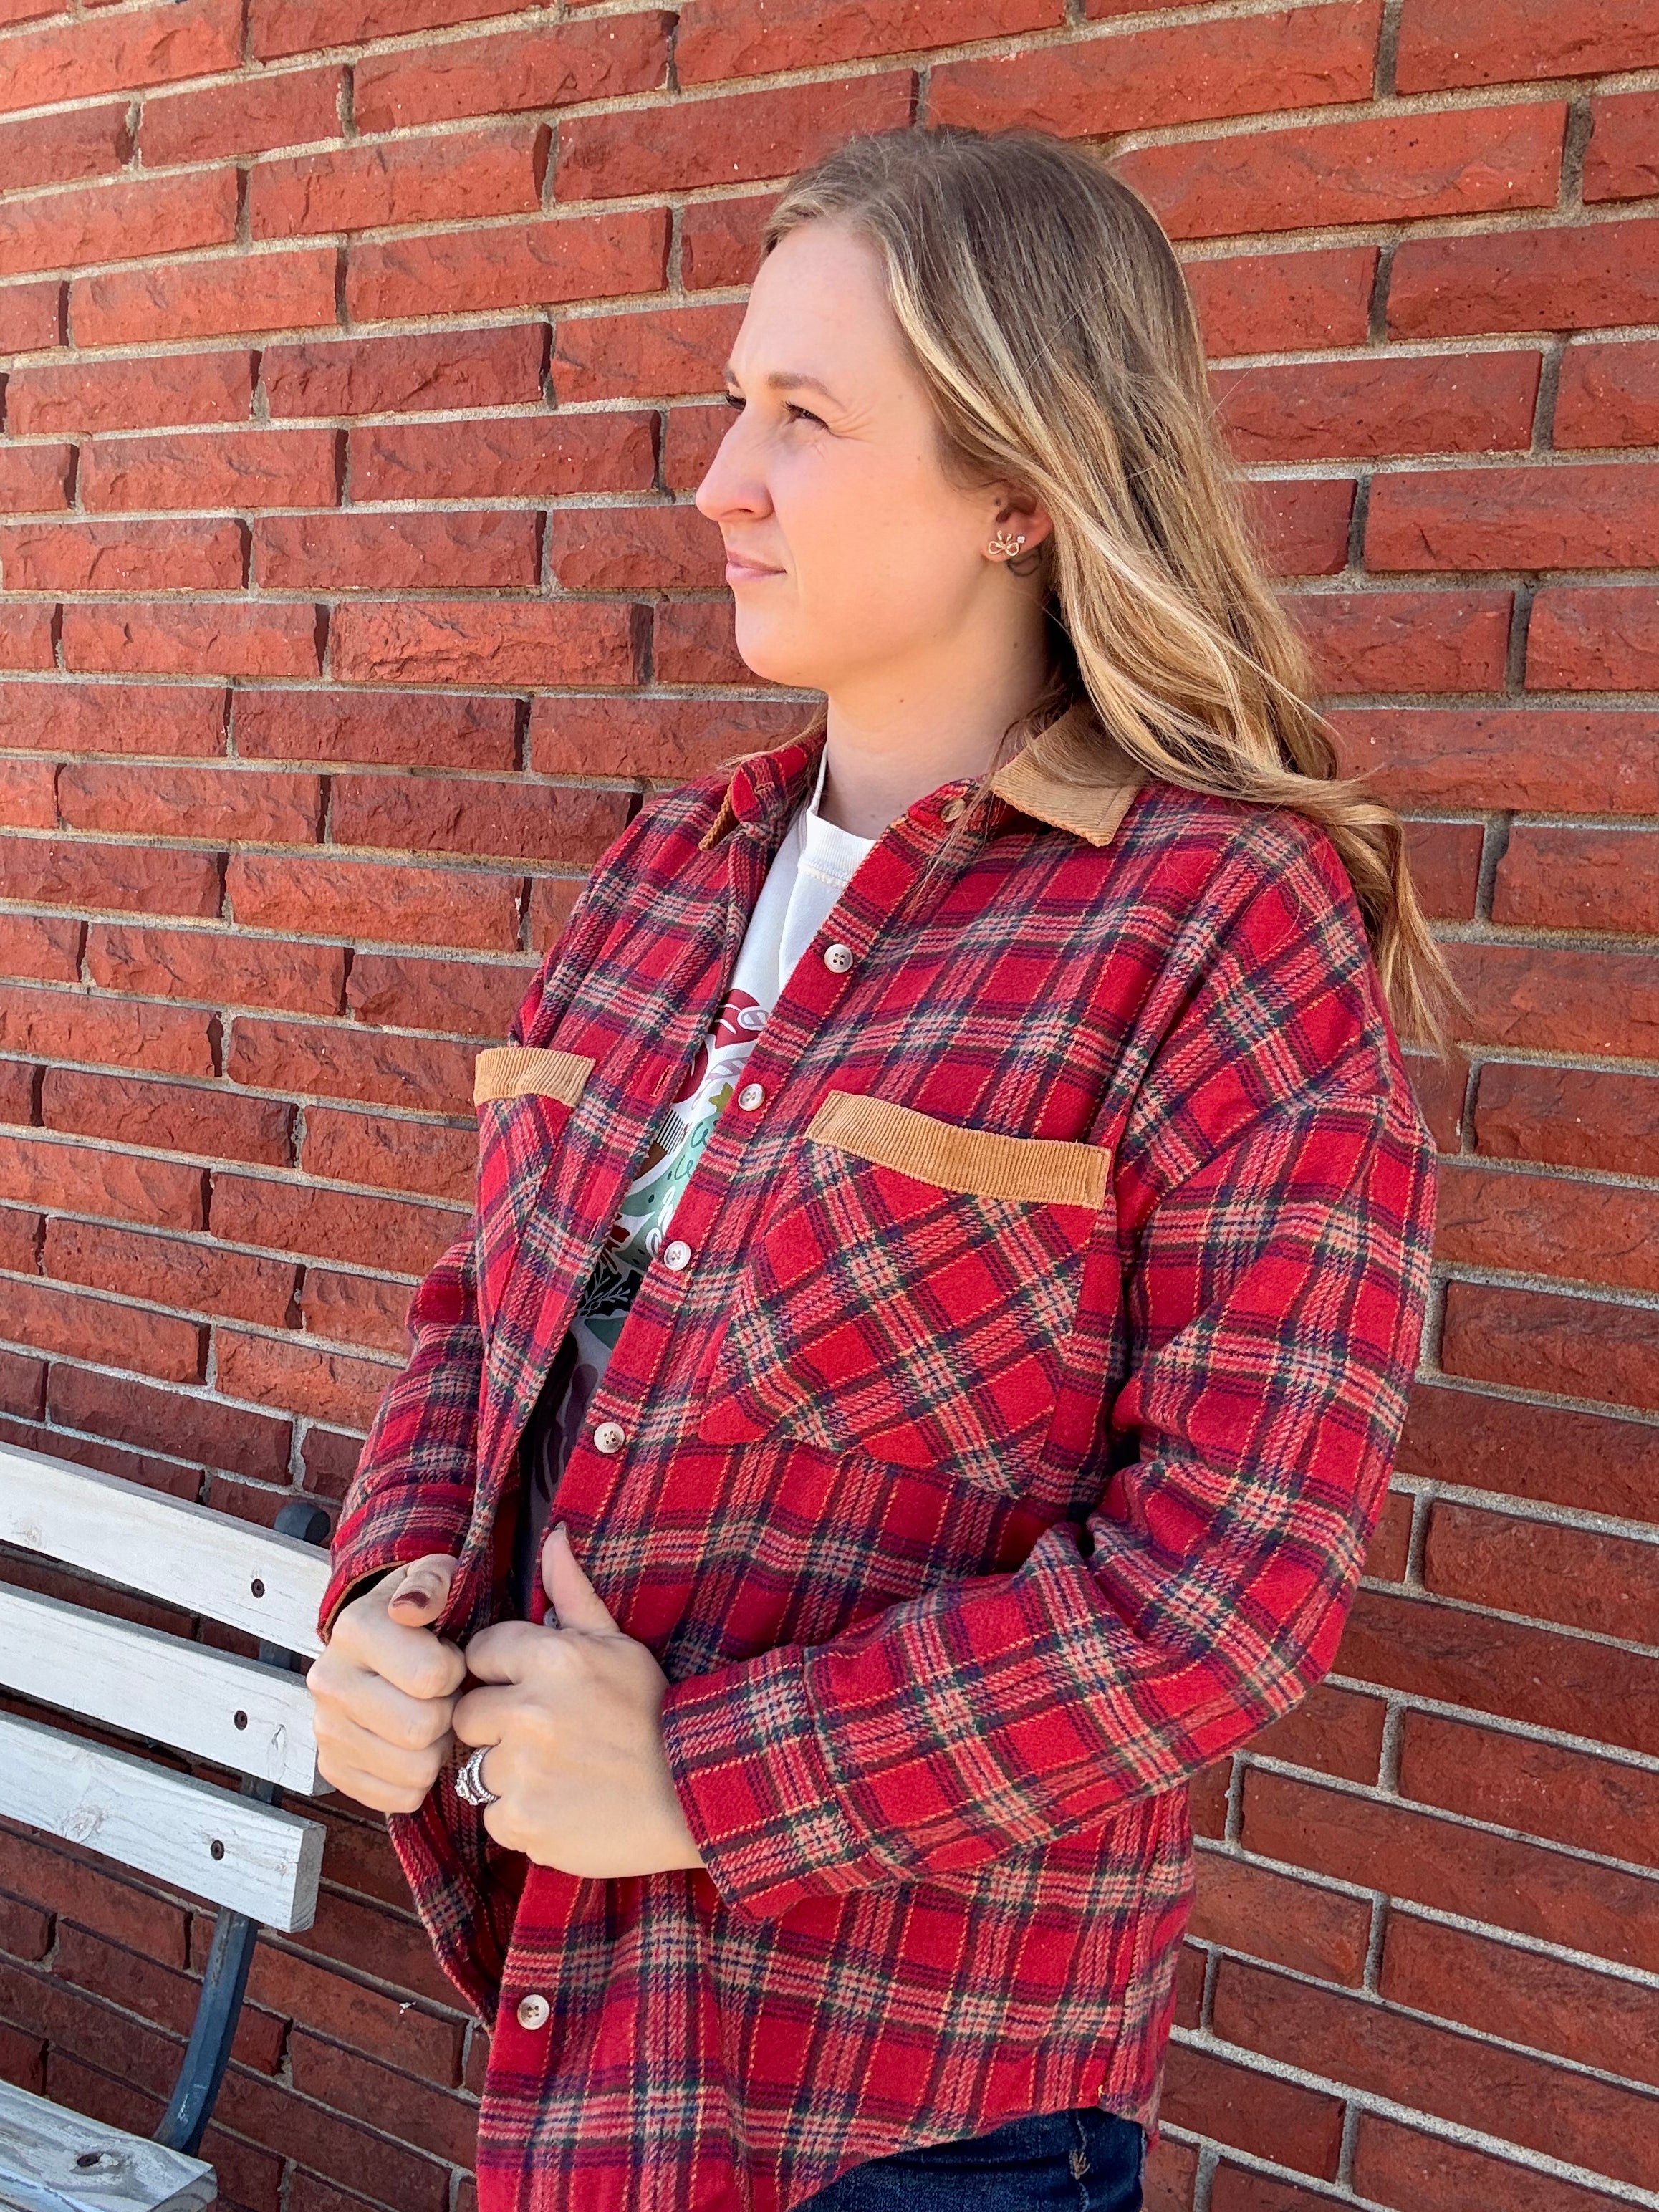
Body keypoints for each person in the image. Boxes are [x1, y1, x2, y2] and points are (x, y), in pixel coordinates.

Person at [307, 123, 1448, 2212]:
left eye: (804, 417)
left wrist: (704, 1778)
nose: (719, 480)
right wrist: (389, 1594)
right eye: (736, 401)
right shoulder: (666, 875)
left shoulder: (1213, 924)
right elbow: (486, 1315)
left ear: (1023, 488)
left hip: (913, 2111)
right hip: (583, 2050)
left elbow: (1230, 1586)